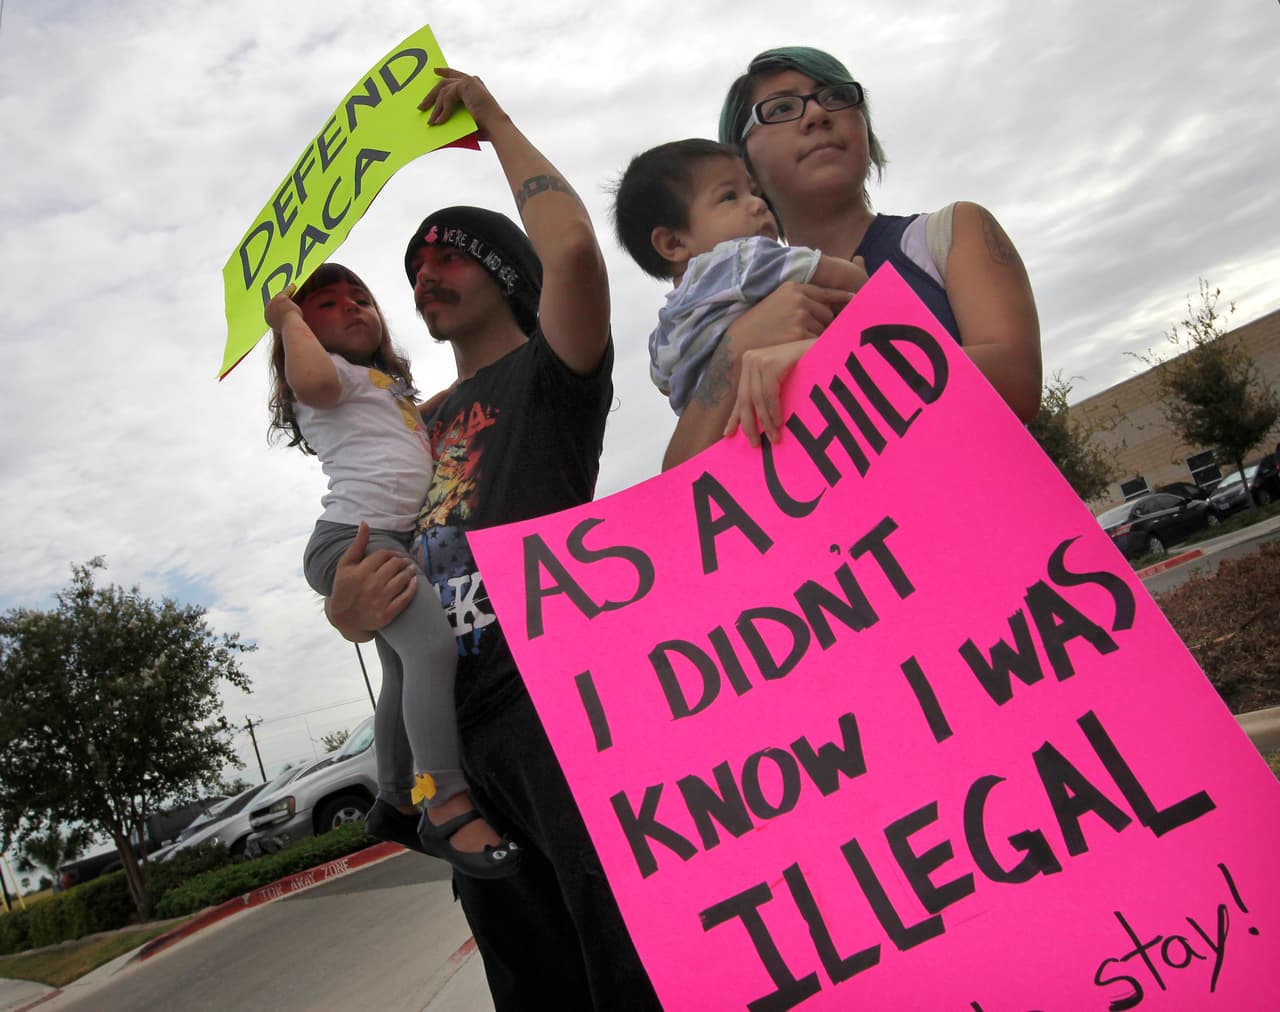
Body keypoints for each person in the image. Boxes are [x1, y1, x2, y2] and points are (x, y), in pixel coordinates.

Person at [322, 68, 661, 1010]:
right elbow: (358, 549)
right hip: (456, 751)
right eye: (414, 268)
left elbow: (579, 259)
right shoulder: (406, 424)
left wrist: (496, 122)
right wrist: (344, 609)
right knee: (533, 983)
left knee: (625, 969)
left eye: (448, 254)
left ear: (505, 272)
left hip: (559, 719)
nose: (424, 274)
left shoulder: (553, 372)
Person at [663, 46, 1042, 464]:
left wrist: (834, 360)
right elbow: (683, 479)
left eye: (836, 97)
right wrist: (736, 349)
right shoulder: (733, 312)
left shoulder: (950, 233)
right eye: (783, 107)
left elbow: (1017, 380)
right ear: (742, 162)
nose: (816, 115)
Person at [265, 264, 521, 880]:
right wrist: (286, 319)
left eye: (361, 298)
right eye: (329, 304)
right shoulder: (325, 379)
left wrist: (466, 387)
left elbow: (415, 425)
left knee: (401, 670)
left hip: (386, 541)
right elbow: (311, 377)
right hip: (355, 543)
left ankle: (395, 798)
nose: (353, 308)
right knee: (433, 651)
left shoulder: (379, 384)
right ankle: (446, 803)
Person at [611, 137, 865, 416]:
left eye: (753, 192)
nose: (757, 204)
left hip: (730, 435)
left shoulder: (664, 333)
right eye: (730, 196)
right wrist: (859, 272)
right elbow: (838, 276)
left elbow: (664, 384)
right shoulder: (743, 260)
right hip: (802, 400)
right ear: (673, 243)